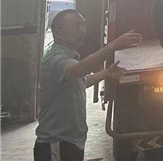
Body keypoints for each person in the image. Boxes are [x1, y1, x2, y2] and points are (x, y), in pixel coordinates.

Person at [35, 9, 142, 161]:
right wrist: (113, 46)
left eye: (83, 25)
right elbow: (78, 70)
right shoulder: (54, 59)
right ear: (59, 33)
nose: (83, 30)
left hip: (71, 143)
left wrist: (105, 73)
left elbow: (81, 81)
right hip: (56, 144)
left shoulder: (68, 57)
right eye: (77, 26)